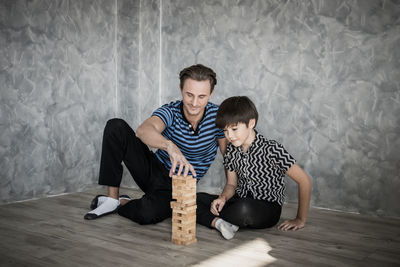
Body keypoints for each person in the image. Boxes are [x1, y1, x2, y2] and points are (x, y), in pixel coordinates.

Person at [84, 64, 228, 224]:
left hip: (178, 186)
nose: (194, 103)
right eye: (189, 95)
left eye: (201, 96)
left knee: (147, 213)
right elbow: (143, 130)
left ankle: (122, 202)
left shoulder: (218, 117)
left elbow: (228, 156)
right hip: (153, 170)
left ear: (211, 93)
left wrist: (228, 191)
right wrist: (170, 146)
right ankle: (111, 198)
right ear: (181, 89)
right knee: (116, 126)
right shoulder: (171, 111)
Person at [196, 96, 312, 239]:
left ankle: (217, 218)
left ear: (251, 123)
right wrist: (223, 198)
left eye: (234, 129)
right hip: (239, 200)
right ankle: (218, 223)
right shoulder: (231, 151)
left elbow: (304, 180)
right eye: (225, 131)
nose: (229, 136)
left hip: (266, 208)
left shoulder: (272, 149)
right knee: (194, 199)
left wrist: (300, 219)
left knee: (243, 208)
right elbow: (231, 184)